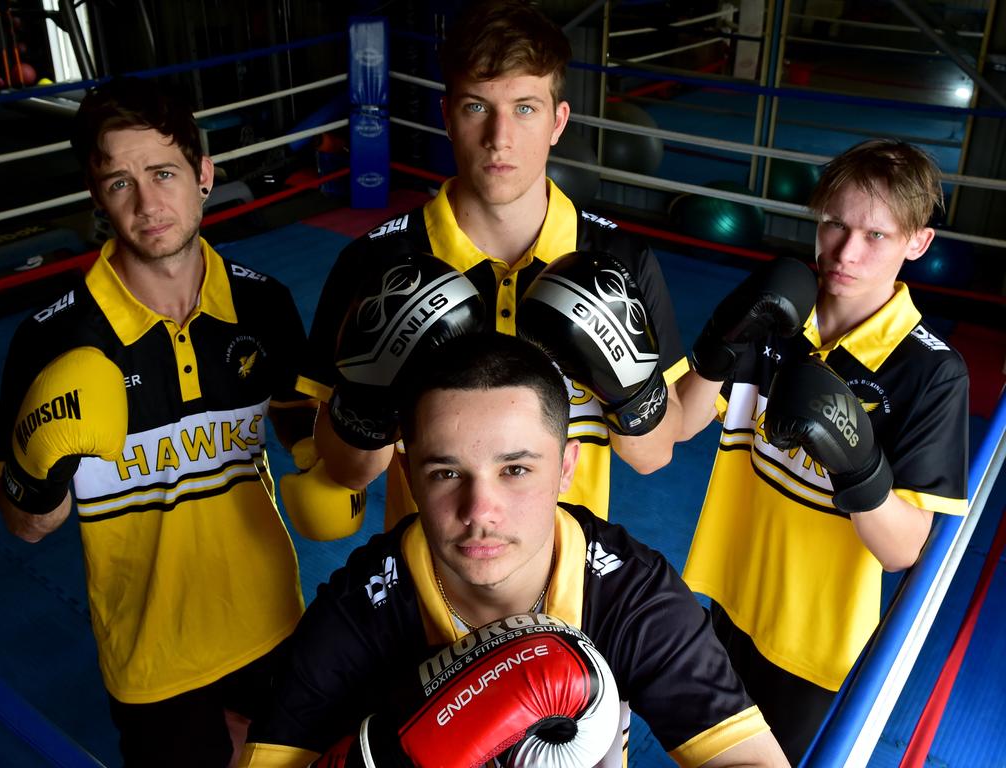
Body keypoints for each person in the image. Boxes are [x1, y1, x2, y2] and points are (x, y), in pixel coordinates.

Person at [242, 332, 789, 768]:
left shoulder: (632, 594)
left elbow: (751, 761)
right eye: (447, 472)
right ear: (407, 474)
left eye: (516, 469)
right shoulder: (361, 610)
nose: (480, 509)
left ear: (566, 468)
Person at [0, 77, 317, 767]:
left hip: (273, 622)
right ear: (96, 195)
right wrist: (37, 467)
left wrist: (332, 456)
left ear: (203, 175)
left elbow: (298, 426)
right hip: (151, 660)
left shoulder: (264, 305)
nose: (146, 205)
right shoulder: (52, 339)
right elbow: (25, 522)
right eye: (119, 183)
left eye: (163, 173)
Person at [294, 0, 688, 531]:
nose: (499, 137)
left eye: (525, 107)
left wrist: (629, 388)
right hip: (427, 573)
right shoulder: (376, 263)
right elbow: (346, 469)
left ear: (558, 121)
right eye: (477, 107)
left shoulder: (621, 261)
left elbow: (653, 454)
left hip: (567, 579)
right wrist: (369, 400)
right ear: (447, 117)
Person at [675, 139, 970, 762]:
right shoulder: (779, 314)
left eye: (877, 236)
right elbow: (681, 424)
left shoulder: (931, 372)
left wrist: (859, 465)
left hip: (816, 643)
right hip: (729, 595)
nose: (845, 253)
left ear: (917, 243)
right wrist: (720, 343)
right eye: (835, 224)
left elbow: (905, 551)